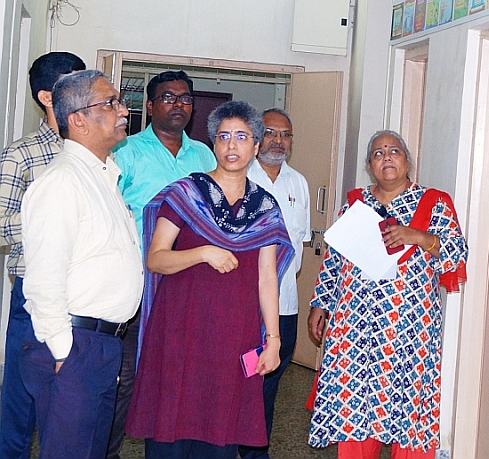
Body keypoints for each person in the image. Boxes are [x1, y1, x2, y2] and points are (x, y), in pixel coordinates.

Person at [126, 101, 295, 458]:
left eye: (242, 137)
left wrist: (273, 340)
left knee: (220, 436)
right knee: (170, 434)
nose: (232, 145)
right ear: (213, 144)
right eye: (223, 137)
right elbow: (156, 259)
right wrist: (202, 252)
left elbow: (267, 278)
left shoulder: (264, 207)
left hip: (234, 335)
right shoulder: (185, 193)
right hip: (179, 332)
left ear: (256, 145)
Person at [307, 131, 468, 459]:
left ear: (407, 161)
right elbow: (334, 261)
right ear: (370, 166)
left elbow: (456, 253)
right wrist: (320, 304)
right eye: (378, 154)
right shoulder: (355, 205)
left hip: (408, 331)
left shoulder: (433, 203)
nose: (387, 158)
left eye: (394, 151)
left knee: (407, 410)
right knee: (355, 406)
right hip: (355, 329)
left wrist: (419, 237)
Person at [19, 69, 143, 459]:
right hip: (76, 346)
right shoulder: (62, 183)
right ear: (78, 120)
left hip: (103, 345)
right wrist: (63, 352)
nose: (123, 111)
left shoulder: (104, 177)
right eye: (111, 103)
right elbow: (43, 281)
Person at [107, 70, 216, 459]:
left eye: (185, 98)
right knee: (126, 378)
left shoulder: (204, 156)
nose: (178, 105)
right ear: (151, 106)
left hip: (190, 285)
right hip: (138, 284)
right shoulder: (126, 152)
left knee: (177, 375)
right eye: (168, 97)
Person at [0, 52, 86, 459]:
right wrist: (50, 216)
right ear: (48, 97)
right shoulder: (21, 154)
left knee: (71, 406)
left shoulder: (96, 154)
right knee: (21, 406)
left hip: (85, 298)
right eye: (76, 86)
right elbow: (1, 225)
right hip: (34, 297)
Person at [240, 109, 311, 459]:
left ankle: (257, 449)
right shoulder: (239, 177)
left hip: (285, 305)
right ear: (257, 136)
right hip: (245, 305)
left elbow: (300, 242)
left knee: (270, 383)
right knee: (241, 381)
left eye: (285, 134)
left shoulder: (299, 183)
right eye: (270, 132)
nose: (278, 141)